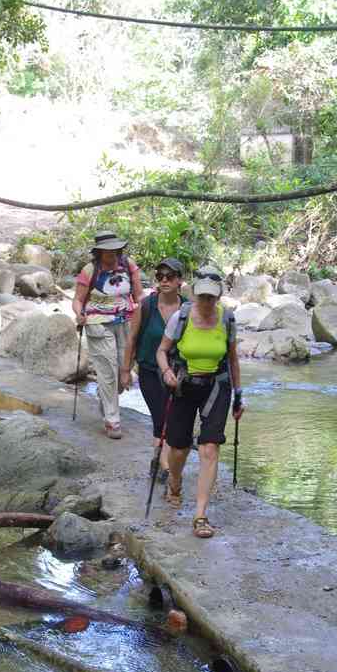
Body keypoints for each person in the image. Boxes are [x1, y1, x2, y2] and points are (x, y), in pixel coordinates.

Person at [156, 265, 245, 539]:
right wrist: (167, 372)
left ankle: (200, 515)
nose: (207, 302)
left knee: (209, 448)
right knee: (179, 449)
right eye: (202, 296)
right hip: (183, 386)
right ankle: (174, 482)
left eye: (211, 297)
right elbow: (162, 351)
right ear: (194, 295)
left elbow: (232, 360)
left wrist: (239, 396)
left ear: (218, 297)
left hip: (217, 387)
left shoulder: (227, 320)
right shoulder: (181, 317)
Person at [120, 257, 186, 480]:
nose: (164, 280)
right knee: (161, 417)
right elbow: (132, 339)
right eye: (160, 277)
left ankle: (159, 460)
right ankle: (163, 463)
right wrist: (125, 370)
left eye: (170, 277)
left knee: (173, 418)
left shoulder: (187, 308)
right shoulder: (146, 306)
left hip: (177, 372)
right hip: (149, 370)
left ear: (180, 281)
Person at [73, 231, 143, 439]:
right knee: (108, 371)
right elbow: (78, 299)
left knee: (124, 372)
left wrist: (145, 312)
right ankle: (112, 421)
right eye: (107, 251)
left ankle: (105, 397)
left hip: (126, 323)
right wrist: (79, 313)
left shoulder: (129, 266)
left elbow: (139, 296)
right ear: (99, 252)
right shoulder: (90, 270)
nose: (112, 255)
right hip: (97, 323)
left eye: (115, 250)